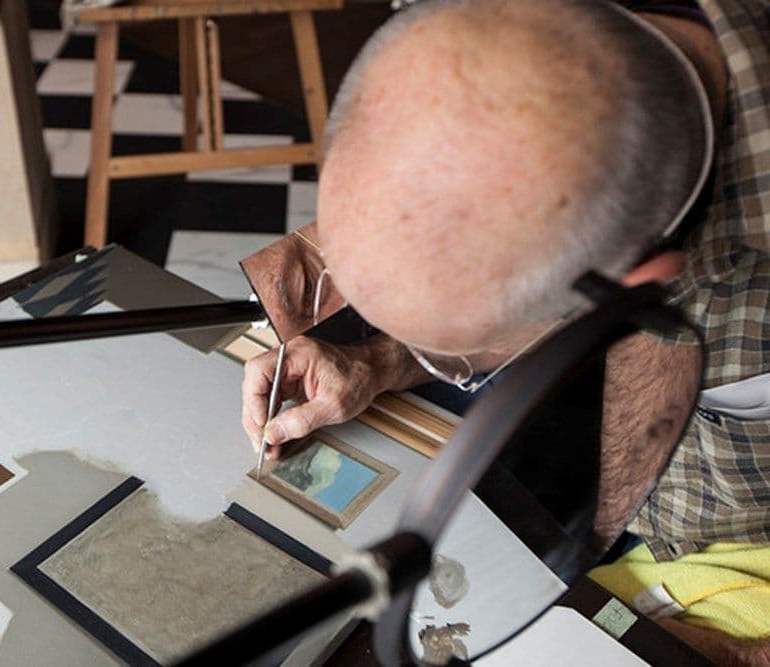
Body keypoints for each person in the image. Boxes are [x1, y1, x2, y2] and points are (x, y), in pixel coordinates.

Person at [240, 0, 769, 663]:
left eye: (454, 356)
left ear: (637, 281)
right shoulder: (487, 40)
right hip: (612, 516)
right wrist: (378, 358)